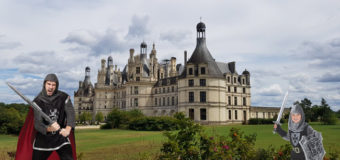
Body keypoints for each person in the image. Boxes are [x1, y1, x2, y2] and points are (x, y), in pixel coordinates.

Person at [15, 73, 77, 160]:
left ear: (56, 86)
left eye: (53, 85)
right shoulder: (38, 101)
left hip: (60, 138)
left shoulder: (64, 97)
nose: (51, 87)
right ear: (44, 84)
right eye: (48, 84)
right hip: (43, 141)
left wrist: (68, 129)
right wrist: (50, 128)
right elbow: (37, 125)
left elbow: (71, 114)